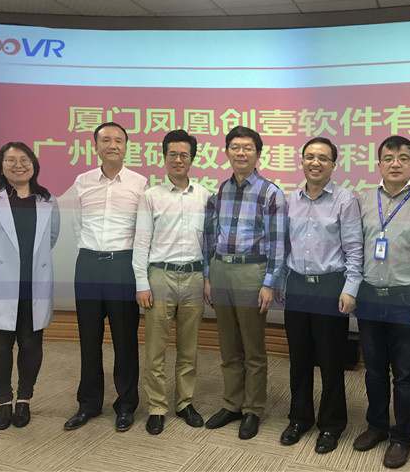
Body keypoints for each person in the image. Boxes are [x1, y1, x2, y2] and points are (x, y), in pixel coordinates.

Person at [353, 135, 410, 468]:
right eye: (389, 158)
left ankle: (402, 437)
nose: (396, 163)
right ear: (379, 163)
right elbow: (354, 248)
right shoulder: (363, 199)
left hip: (408, 298)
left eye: (403, 158)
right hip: (368, 295)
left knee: (405, 374)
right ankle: (377, 426)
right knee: (373, 370)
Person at [274, 137, 363, 454]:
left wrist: (350, 289)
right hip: (297, 284)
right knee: (298, 359)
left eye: (323, 158)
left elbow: (354, 249)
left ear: (333, 164)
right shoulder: (291, 200)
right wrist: (281, 281)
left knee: (330, 360)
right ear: (302, 161)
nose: (315, 162)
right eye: (310, 156)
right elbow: (285, 245)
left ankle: (331, 424)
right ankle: (299, 418)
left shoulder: (345, 200)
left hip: (330, 286)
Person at [203, 126, 287, 440]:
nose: (241, 153)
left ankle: (253, 408)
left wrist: (269, 283)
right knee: (228, 346)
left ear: (258, 154)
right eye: (235, 147)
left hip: (252, 273)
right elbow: (210, 237)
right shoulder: (220, 191)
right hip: (221, 270)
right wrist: (208, 275)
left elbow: (278, 243)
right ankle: (232, 403)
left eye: (248, 148)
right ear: (227, 152)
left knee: (253, 348)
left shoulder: (271, 193)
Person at [0, 142, 60, 430]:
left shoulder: (47, 200)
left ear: (34, 164)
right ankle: (3, 401)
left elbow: (51, 238)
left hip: (33, 286)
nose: (18, 165)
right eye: (10, 160)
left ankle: (24, 399)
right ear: (1, 165)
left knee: (31, 345)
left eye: (24, 159)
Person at [64, 122, 147, 432]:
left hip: (122, 265)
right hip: (88, 265)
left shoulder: (140, 183)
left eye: (119, 140)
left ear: (126, 147)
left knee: (125, 340)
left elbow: (142, 230)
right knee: (89, 338)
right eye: (106, 140)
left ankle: (125, 405)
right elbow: (77, 224)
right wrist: (92, 253)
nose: (113, 145)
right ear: (95, 146)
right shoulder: (82, 181)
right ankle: (88, 403)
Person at [132, 129, 210, 435]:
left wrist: (207, 278)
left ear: (192, 159)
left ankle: (184, 402)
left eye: (184, 155)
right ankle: (156, 407)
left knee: (189, 349)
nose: (178, 159)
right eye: (172, 154)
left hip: (193, 276)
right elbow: (141, 242)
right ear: (164, 157)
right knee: (156, 349)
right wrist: (141, 282)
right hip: (160, 276)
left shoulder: (205, 196)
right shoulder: (151, 196)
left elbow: (209, 244)